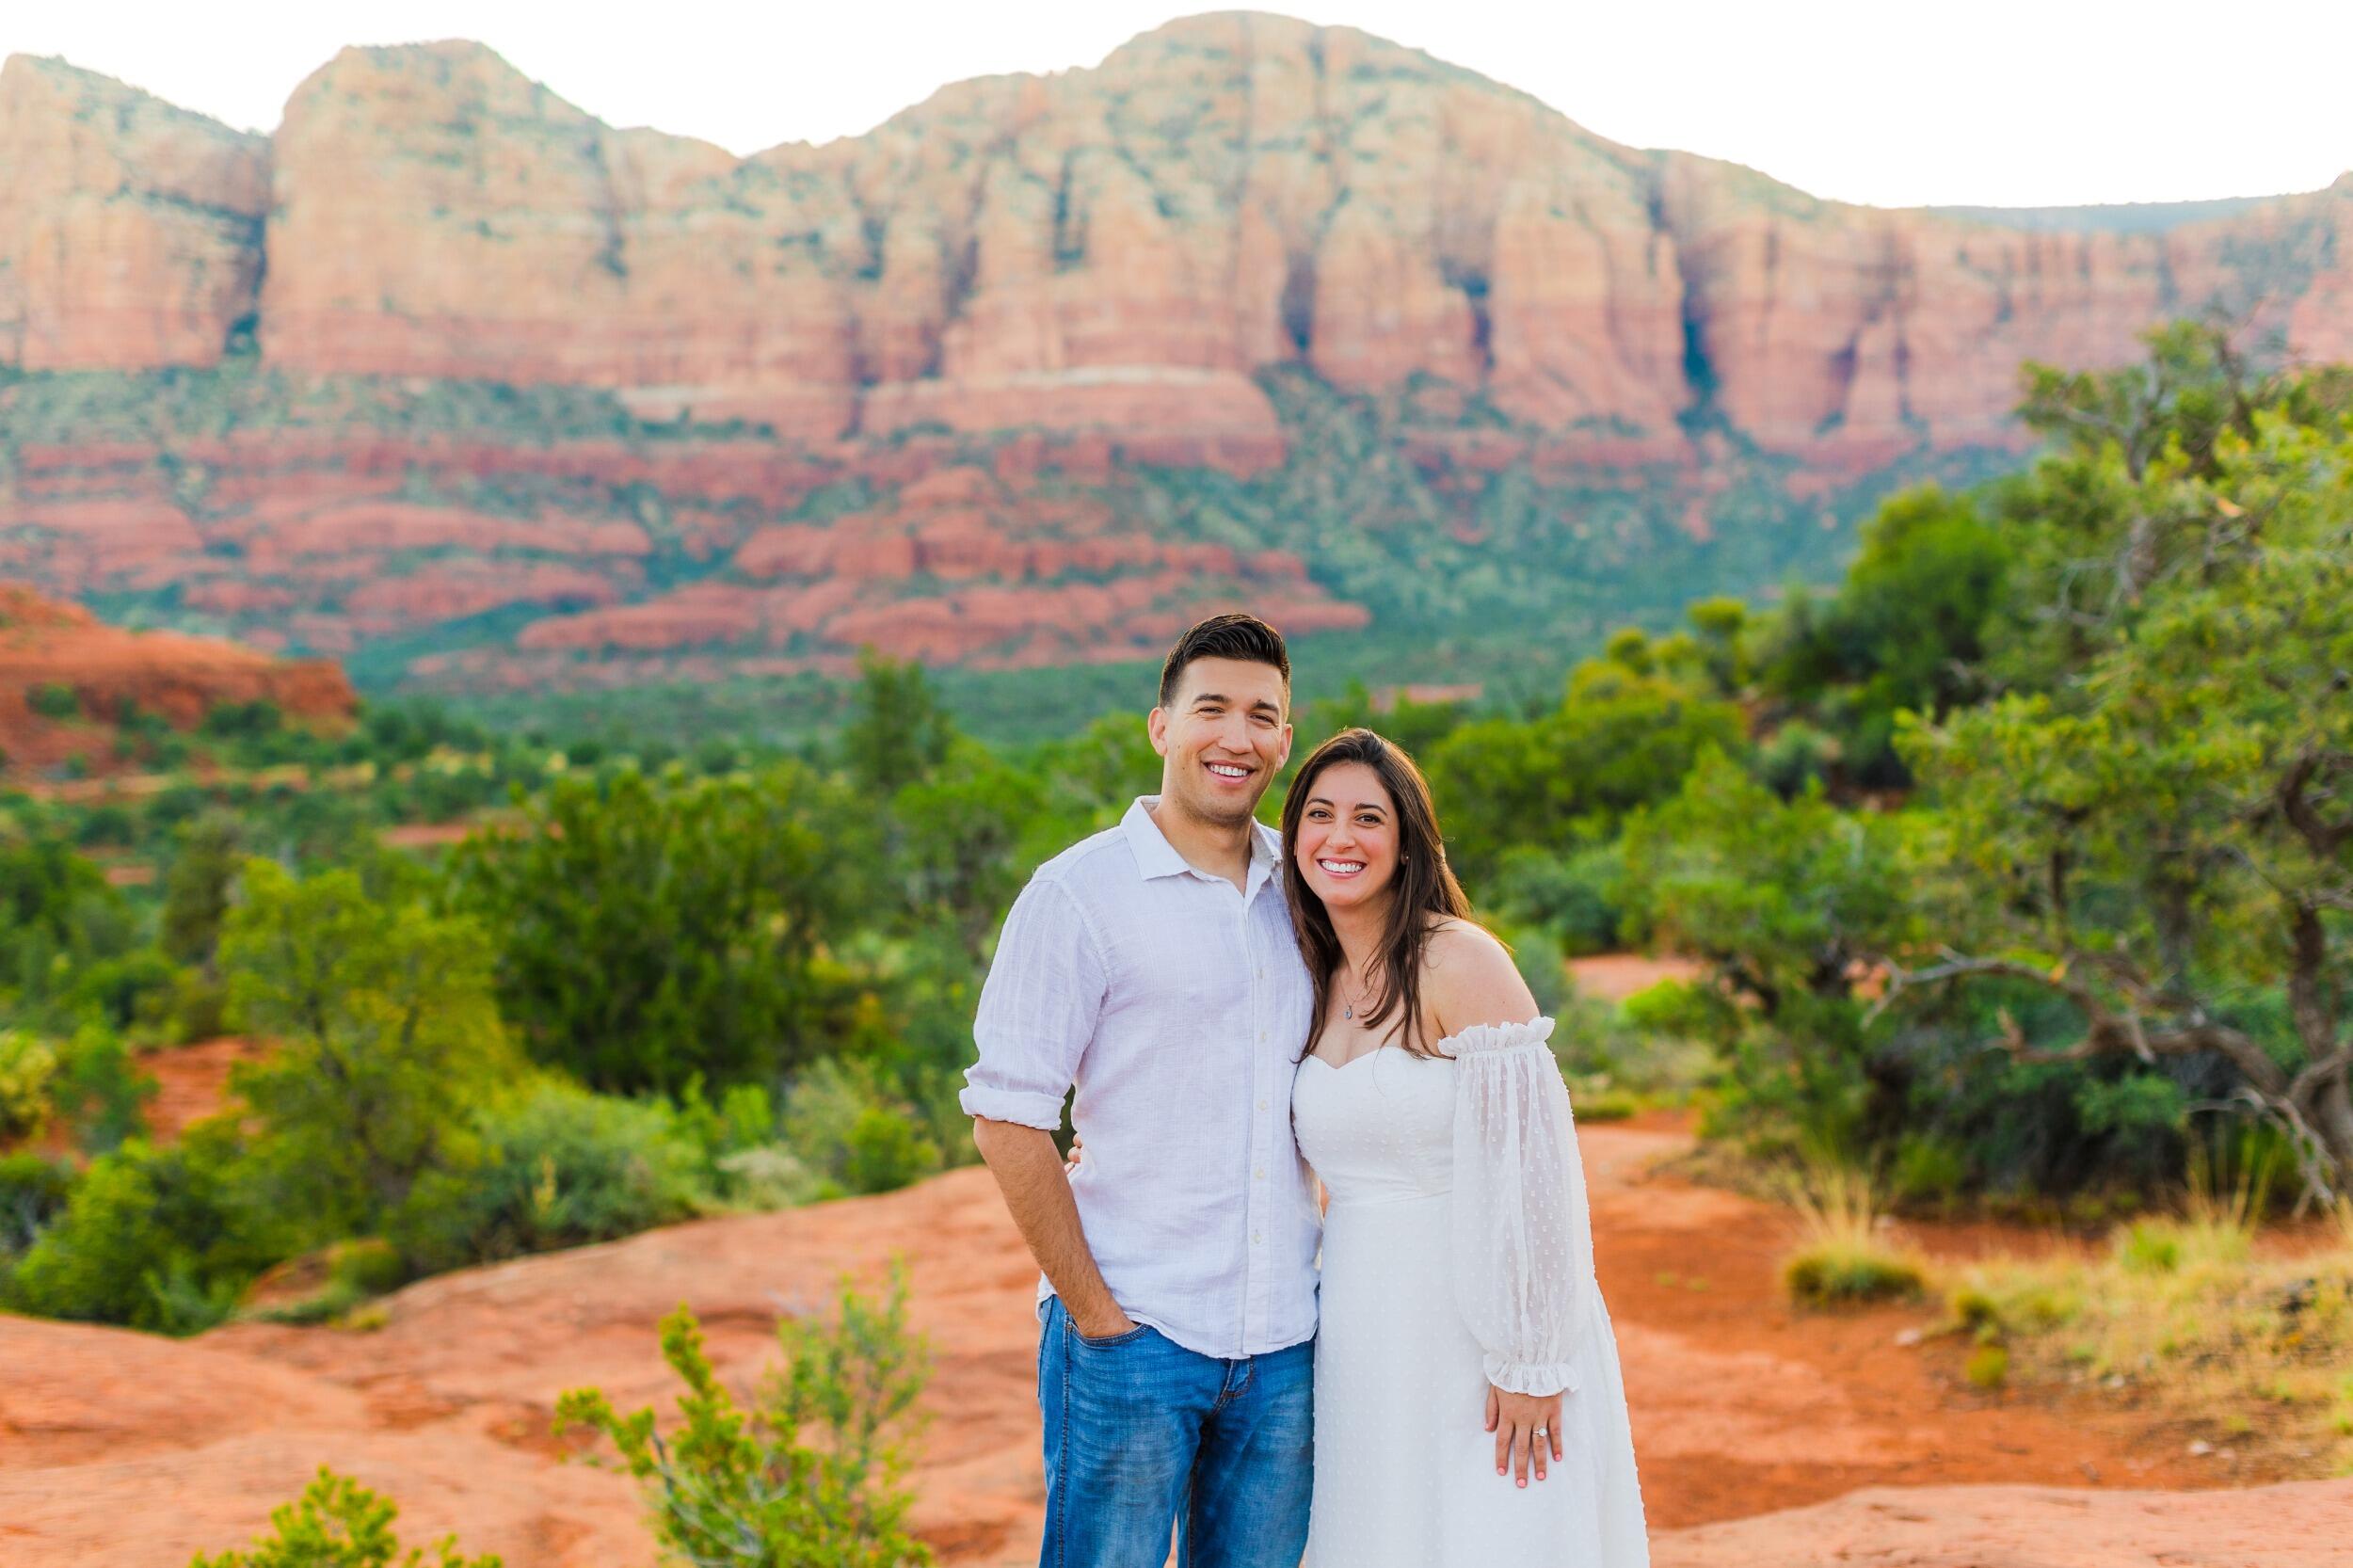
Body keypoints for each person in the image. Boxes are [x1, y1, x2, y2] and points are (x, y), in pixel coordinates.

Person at [963, 613, 1318, 1568]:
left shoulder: (1308, 892)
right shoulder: (1079, 893)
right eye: (1211, 708)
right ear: (1161, 726)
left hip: (1285, 1346)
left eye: (1262, 716)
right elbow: (1005, 1117)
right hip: (1134, 1335)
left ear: (1285, 740)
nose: (1236, 736)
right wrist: (1098, 1319)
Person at [1284, 726, 1648, 1566]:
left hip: (1475, 1317)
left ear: (1409, 843)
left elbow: (1534, 1171)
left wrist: (1529, 1358)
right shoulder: (1314, 974)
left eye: (1369, 818)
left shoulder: (1457, 961)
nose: (1341, 838)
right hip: (1363, 1324)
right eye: (1320, 814)